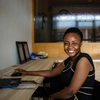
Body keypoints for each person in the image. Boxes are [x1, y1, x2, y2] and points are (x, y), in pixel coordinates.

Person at [15, 27, 95, 100]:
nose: (70, 47)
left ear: (81, 44)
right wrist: (26, 72)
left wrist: (52, 97)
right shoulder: (69, 61)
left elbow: (71, 91)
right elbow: (50, 72)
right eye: (66, 43)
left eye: (74, 43)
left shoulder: (83, 59)